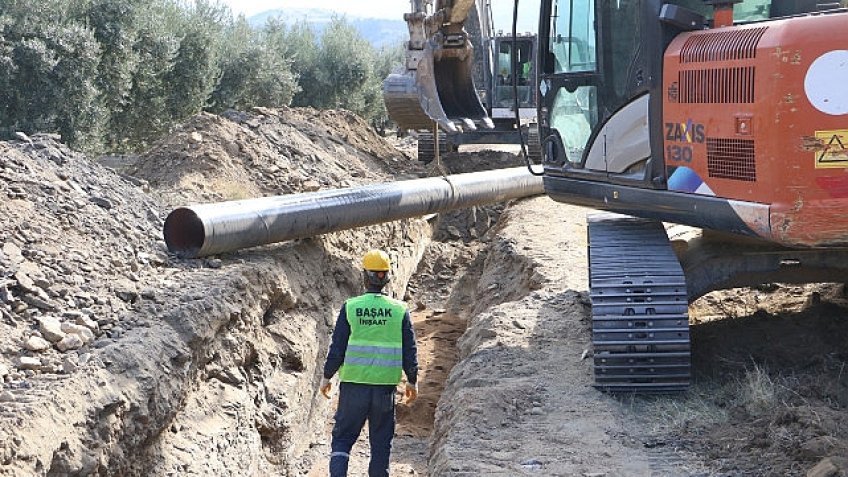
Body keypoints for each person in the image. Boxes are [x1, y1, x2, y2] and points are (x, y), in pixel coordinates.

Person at [319, 249, 419, 477]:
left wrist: (327, 376)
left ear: (364, 276)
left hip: (354, 385)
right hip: (384, 390)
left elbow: (338, 347)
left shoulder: (351, 307)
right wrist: (412, 380)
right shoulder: (399, 310)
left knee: (343, 439)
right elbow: (409, 349)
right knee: (381, 443)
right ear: (388, 277)